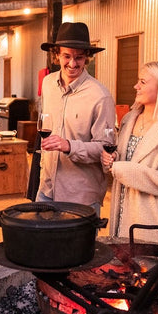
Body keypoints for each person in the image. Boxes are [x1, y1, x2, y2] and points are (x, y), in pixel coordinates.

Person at [101, 61, 158, 244]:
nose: (136, 86)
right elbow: (128, 159)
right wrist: (113, 160)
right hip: (123, 217)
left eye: (142, 82)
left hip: (153, 224)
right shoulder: (129, 119)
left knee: (146, 270)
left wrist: (123, 170)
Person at [36, 22, 116, 216]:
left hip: (80, 196)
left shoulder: (100, 96)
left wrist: (69, 146)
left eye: (79, 57)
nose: (72, 64)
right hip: (46, 189)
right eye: (67, 56)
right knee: (41, 245)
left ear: (87, 57)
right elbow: (44, 122)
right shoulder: (48, 84)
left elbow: (106, 148)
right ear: (56, 55)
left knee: (78, 247)